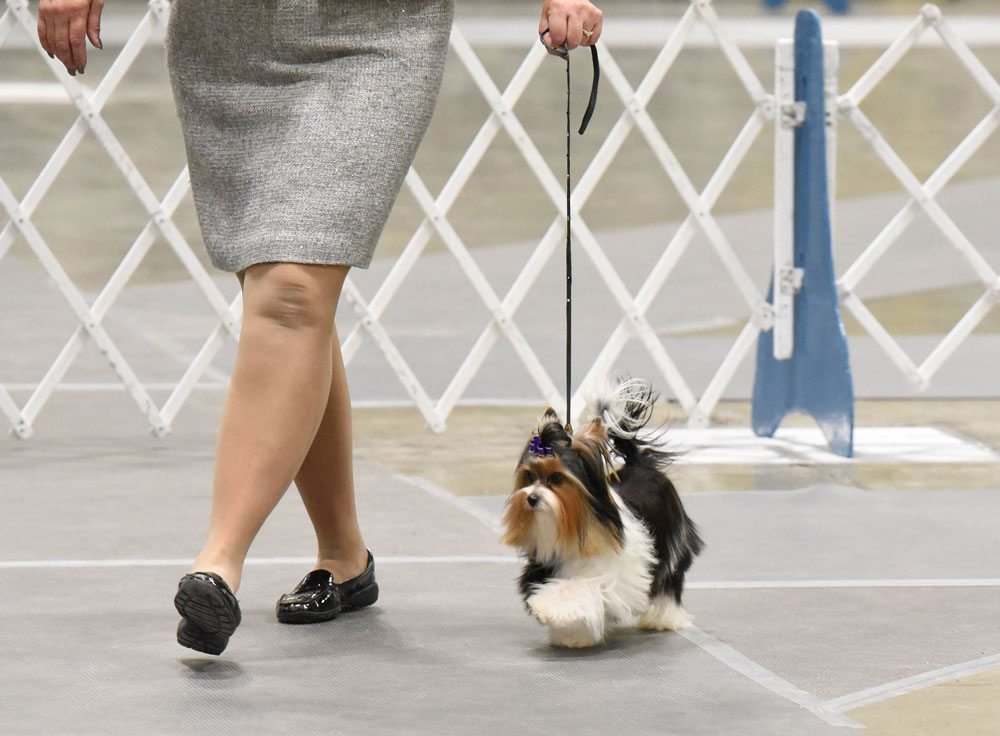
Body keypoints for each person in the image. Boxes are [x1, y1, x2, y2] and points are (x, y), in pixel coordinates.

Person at [37, 0, 604, 656]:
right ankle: (343, 554)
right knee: (295, 300)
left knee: (291, 292)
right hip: (227, 41)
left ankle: (218, 562)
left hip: (376, 35)